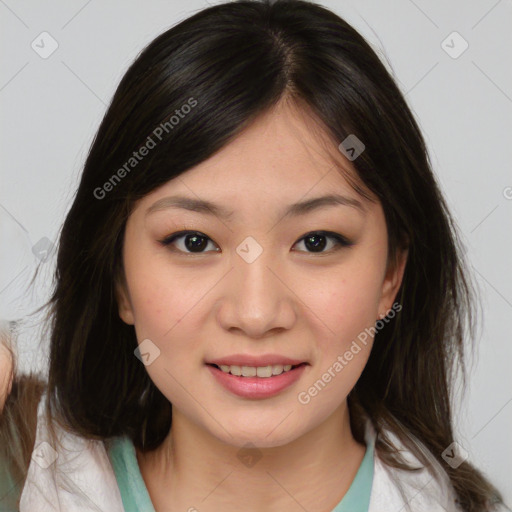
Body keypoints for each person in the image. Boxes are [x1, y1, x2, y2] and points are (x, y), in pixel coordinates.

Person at [0, 0, 507, 510]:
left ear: (390, 276)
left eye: (317, 241)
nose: (256, 313)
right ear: (119, 278)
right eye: (194, 241)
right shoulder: (17, 476)